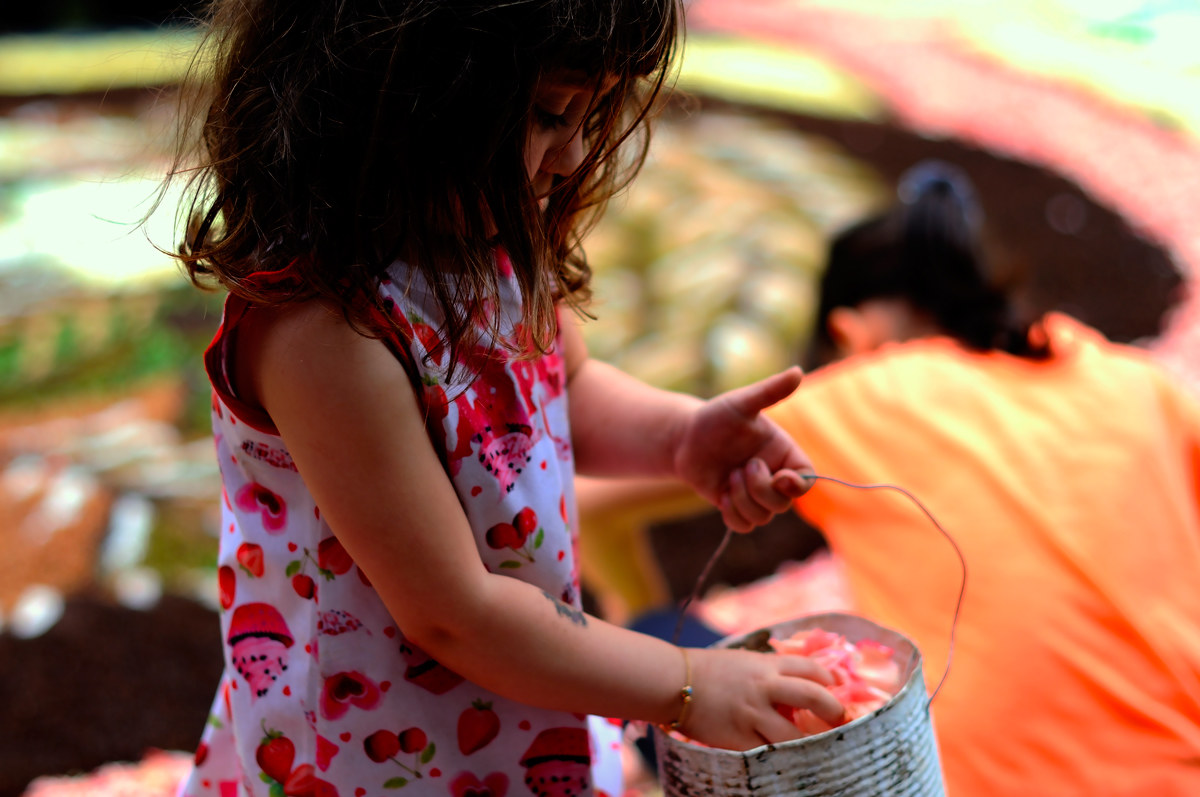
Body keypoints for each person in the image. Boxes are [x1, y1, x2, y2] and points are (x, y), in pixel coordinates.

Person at [162, 2, 848, 796]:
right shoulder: (322, 330)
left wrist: (680, 436)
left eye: (595, 114)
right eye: (553, 113)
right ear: (404, 92)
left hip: (516, 704)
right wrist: (687, 680)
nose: (576, 153)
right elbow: (454, 611)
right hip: (368, 757)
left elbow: (566, 392)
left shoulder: (486, 242)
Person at [766, 161, 1200, 796]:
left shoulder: (850, 394)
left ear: (846, 332)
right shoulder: (1129, 376)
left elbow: (603, 492)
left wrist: (643, 610)